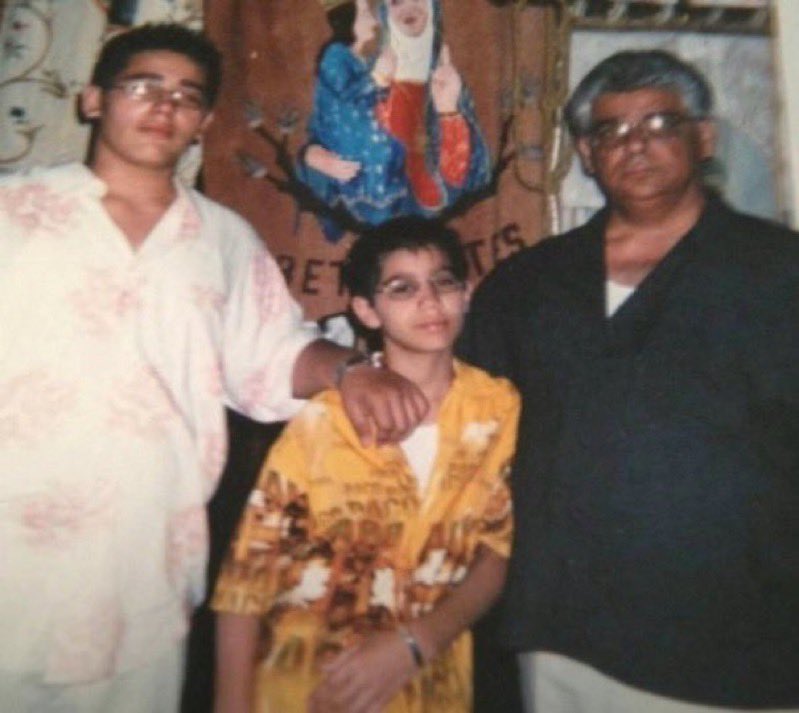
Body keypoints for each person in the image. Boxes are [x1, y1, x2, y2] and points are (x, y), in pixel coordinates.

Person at [0, 23, 428, 713]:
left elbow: (275, 356)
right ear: (92, 100)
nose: (164, 106)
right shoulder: (14, 211)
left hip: (143, 566)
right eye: (142, 86)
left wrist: (354, 368)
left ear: (203, 122)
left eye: (187, 95)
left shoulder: (224, 240)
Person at [459, 50, 799, 712]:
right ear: (587, 154)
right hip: (565, 634)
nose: (634, 144)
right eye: (611, 130)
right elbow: (465, 422)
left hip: (739, 634)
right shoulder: (527, 285)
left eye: (659, 124)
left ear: (703, 137)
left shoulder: (778, 270)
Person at [212, 216, 519, 713]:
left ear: (466, 294)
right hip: (309, 687)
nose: (429, 301)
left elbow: (498, 550)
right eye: (402, 288)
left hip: (430, 684)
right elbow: (247, 577)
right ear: (366, 311)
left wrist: (419, 641)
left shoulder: (499, 410)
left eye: (443, 283)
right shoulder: (323, 422)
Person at [297, 0, 409, 237]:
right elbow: (350, 94)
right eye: (365, 13)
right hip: (357, 181)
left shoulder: (364, 61)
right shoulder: (336, 56)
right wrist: (378, 77)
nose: (373, 20)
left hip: (384, 178)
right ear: (348, 20)